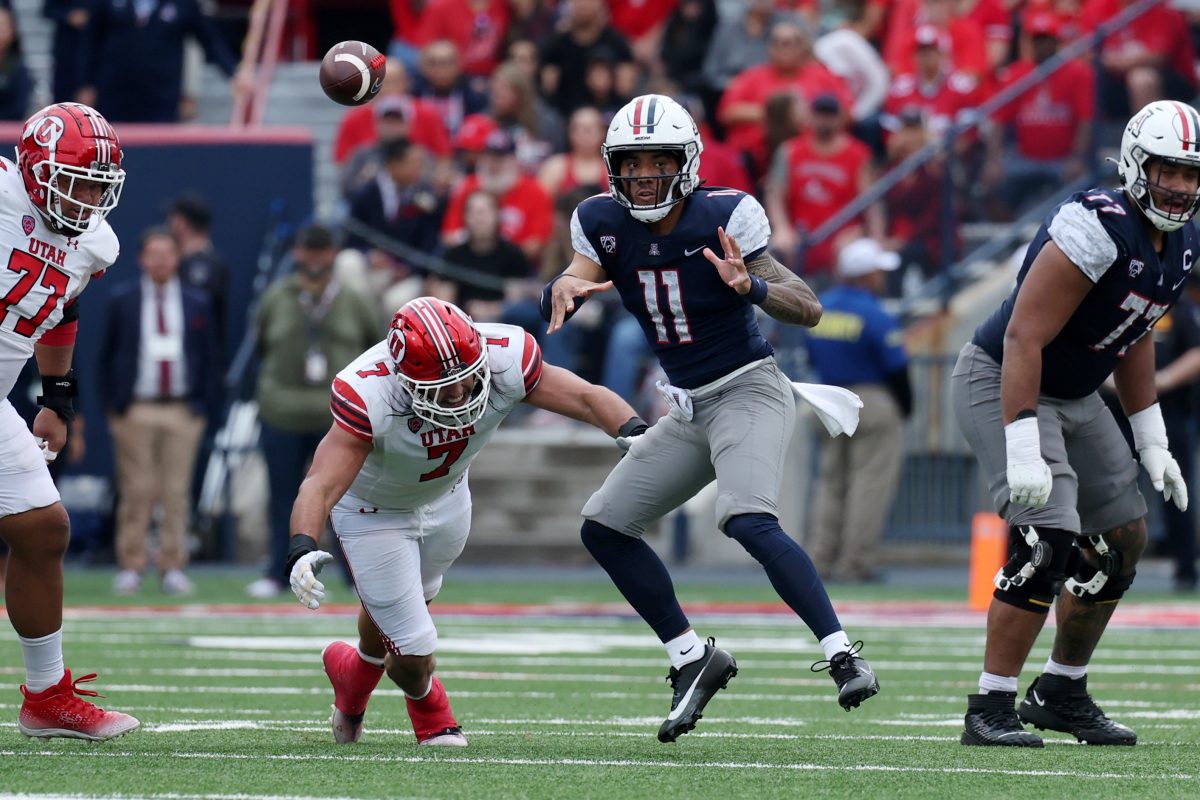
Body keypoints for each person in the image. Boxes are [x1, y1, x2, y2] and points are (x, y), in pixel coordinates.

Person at [541, 94, 879, 743]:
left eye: (655, 162)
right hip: (689, 406)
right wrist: (565, 283)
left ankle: (843, 654)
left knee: (747, 519)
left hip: (749, 389)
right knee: (605, 526)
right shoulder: (600, 220)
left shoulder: (725, 216)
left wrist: (751, 286)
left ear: (685, 162)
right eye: (630, 164)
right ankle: (692, 658)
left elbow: (806, 307)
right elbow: (580, 270)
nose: (642, 176)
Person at [951, 100, 1200, 747]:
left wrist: (1151, 439)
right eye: (1166, 170)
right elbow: (1023, 336)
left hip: (1080, 391)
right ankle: (991, 705)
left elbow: (1137, 333)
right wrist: (1023, 440)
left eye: (1189, 173)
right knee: (1048, 538)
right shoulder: (1094, 225)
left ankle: (1061, 690)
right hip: (1003, 373)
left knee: (1123, 538)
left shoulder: (1182, 241)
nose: (1178, 185)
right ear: (1134, 163)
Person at [283, 296, 641, 746]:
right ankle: (433, 712)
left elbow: (587, 399)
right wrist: (302, 543)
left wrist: (636, 431)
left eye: (465, 379)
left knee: (396, 616)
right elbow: (319, 483)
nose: (457, 394)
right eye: (440, 385)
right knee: (411, 647)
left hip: (448, 498)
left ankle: (349, 677)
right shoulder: (371, 392)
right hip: (374, 513)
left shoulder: (504, 357)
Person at [0, 101, 138, 739]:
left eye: (95, 185)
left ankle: (47, 697)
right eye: (74, 180)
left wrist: (57, 396)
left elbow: (62, 308)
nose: (85, 198)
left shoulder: (95, 241)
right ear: (32, 170)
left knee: (43, 529)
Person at [244, 224, 381, 599]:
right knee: (282, 498)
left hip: (337, 419)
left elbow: (376, 350)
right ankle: (278, 571)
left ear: (333, 254)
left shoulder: (354, 299)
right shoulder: (277, 296)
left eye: (322, 251)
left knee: (345, 501)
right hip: (283, 412)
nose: (315, 258)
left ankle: (355, 578)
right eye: (309, 250)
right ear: (298, 253)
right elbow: (260, 346)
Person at [98, 227, 218, 596]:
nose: (161, 260)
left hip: (182, 409)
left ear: (177, 257)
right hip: (137, 408)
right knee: (136, 490)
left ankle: (172, 566)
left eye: (168, 253)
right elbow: (106, 356)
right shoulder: (124, 300)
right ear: (141, 259)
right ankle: (132, 564)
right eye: (154, 253)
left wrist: (202, 407)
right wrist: (114, 408)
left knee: (176, 493)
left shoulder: (196, 302)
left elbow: (211, 356)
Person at [804, 238, 911, 582]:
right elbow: (897, 370)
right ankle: (854, 564)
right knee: (868, 484)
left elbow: (810, 356)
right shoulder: (876, 314)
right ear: (866, 275)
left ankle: (819, 560)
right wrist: (905, 408)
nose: (882, 277)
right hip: (871, 401)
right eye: (878, 271)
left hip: (827, 400)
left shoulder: (819, 308)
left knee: (829, 484)